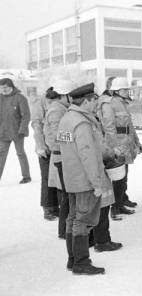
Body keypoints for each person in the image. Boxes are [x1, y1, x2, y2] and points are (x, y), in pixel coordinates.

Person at [58, 82, 111, 275]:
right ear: (87, 101)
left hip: (72, 178)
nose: (96, 103)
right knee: (83, 221)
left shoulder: (67, 119)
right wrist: (97, 183)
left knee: (73, 219)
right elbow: (87, 155)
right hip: (85, 180)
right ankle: (81, 261)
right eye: (94, 100)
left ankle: (73, 259)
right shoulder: (81, 123)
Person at [97, 77, 142, 220]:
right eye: (124, 89)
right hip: (118, 147)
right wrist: (114, 148)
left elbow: (129, 126)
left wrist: (136, 141)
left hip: (126, 145)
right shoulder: (108, 104)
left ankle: (120, 204)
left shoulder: (122, 103)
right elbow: (109, 128)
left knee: (123, 177)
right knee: (117, 178)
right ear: (116, 90)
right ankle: (114, 208)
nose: (127, 91)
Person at [43, 80, 77, 238]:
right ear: (65, 95)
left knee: (67, 195)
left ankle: (65, 229)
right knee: (66, 196)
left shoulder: (61, 108)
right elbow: (58, 135)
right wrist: (78, 137)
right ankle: (64, 230)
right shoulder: (57, 111)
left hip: (64, 155)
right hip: (61, 156)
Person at [31, 89, 59, 220]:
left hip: (57, 145)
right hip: (45, 147)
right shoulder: (40, 103)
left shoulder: (60, 100)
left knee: (57, 178)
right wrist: (41, 145)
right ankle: (48, 208)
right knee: (47, 178)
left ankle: (56, 206)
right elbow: (36, 125)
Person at [0, 77, 31, 184]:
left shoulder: (20, 98)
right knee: (1, 155)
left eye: (5, 87)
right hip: (3, 132)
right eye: (1, 88)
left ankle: (26, 176)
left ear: (11, 86)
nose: (3, 90)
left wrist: (22, 129)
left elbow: (26, 116)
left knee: (20, 153)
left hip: (17, 132)